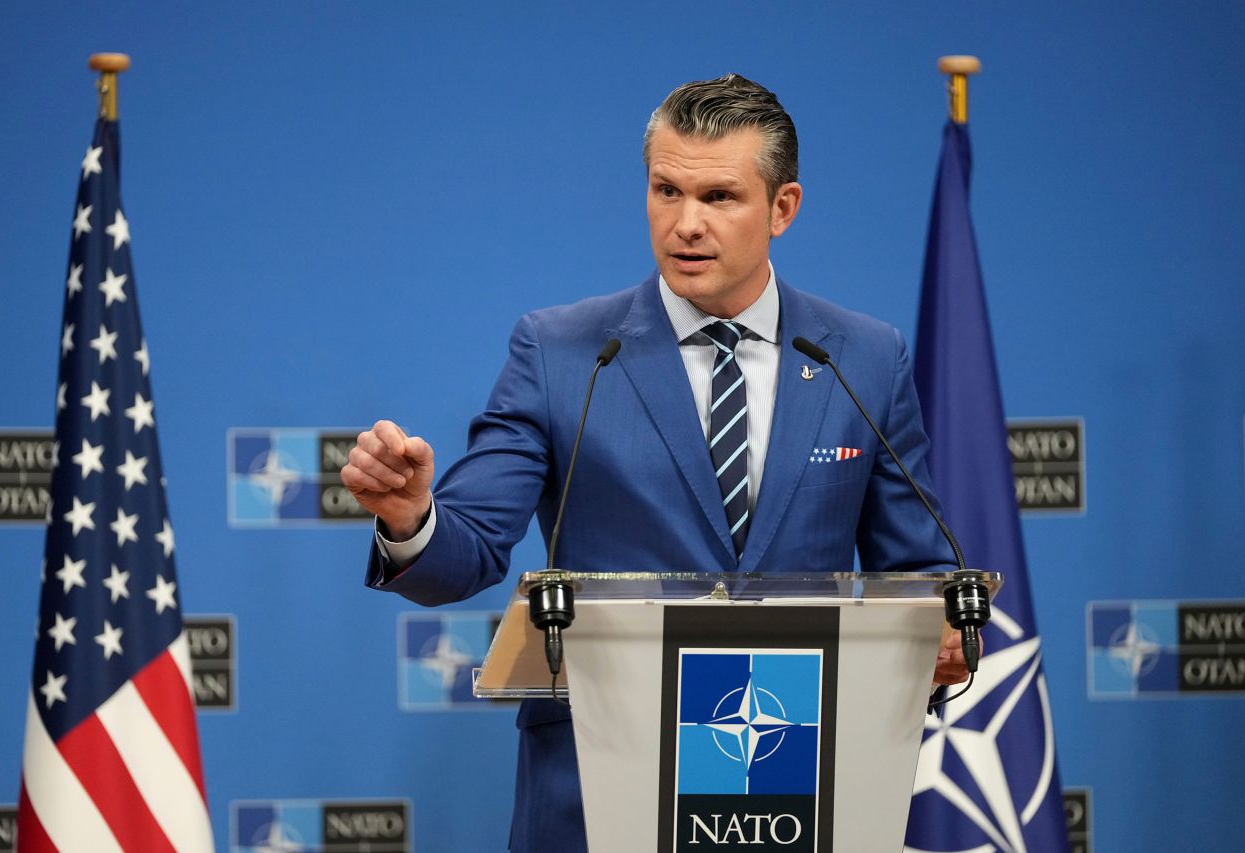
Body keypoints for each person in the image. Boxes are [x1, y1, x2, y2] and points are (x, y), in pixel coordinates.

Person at [342, 73, 975, 852]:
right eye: (665, 190)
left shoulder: (863, 357)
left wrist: (941, 628)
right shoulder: (563, 352)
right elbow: (467, 548)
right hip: (598, 788)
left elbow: (918, 568)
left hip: (800, 783)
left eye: (718, 197)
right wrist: (411, 517)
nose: (685, 224)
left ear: (783, 208)